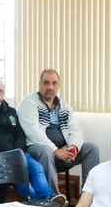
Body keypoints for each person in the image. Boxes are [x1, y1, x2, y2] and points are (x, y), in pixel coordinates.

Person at [19, 69, 100, 198]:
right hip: (37, 151)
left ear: (58, 86)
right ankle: (54, 200)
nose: (50, 87)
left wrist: (73, 147)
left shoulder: (64, 106)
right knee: (46, 150)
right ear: (40, 84)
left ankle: (89, 198)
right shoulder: (28, 102)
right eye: (46, 83)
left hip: (62, 152)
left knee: (91, 149)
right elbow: (33, 132)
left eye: (54, 83)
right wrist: (55, 150)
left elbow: (75, 129)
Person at [0, 78, 55, 202]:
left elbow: (19, 133)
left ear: (3, 92)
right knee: (19, 178)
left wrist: (18, 151)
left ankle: (47, 199)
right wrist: (13, 154)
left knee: (37, 168)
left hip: (17, 153)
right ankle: (42, 203)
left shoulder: (11, 111)